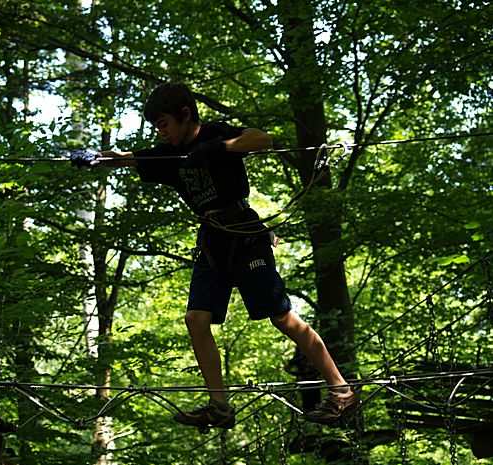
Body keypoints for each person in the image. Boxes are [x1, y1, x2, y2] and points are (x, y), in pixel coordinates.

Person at [71, 82, 359, 428]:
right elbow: (127, 158)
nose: (161, 132)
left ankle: (341, 390)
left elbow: (263, 139)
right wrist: (95, 158)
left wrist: (219, 147)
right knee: (195, 319)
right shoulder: (170, 154)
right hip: (212, 241)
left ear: (185, 115)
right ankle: (219, 406)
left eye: (163, 124)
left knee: (282, 317)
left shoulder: (214, 133)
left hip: (244, 234)